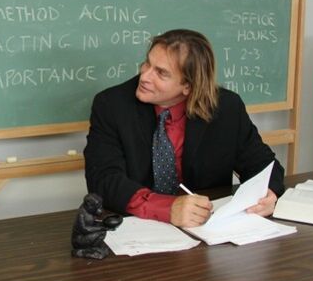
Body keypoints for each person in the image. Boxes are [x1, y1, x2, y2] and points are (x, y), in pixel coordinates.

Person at [84, 29, 285, 229]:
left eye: (161, 73)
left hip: (206, 228)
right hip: (137, 227)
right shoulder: (112, 105)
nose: (144, 76)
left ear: (188, 86)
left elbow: (264, 165)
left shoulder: (226, 107)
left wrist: (268, 194)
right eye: (147, 63)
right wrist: (167, 208)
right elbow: (103, 180)